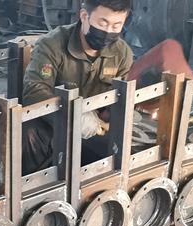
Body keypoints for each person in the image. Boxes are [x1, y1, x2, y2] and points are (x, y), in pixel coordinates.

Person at [21, 0, 133, 173]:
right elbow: (34, 92)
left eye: (116, 26)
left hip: (95, 128)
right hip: (54, 124)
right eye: (103, 23)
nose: (108, 32)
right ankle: (33, 185)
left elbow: (121, 98)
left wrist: (110, 115)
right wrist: (74, 117)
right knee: (29, 133)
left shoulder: (122, 53)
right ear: (84, 16)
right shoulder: (52, 45)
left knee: (127, 145)